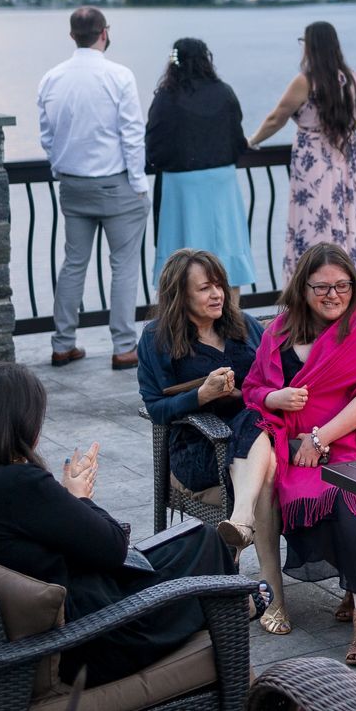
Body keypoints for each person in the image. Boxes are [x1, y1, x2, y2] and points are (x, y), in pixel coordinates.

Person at [0, 362, 241, 685]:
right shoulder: (18, 484)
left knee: (191, 541)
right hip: (90, 638)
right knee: (204, 543)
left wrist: (61, 501)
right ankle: (241, 617)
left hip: (30, 622)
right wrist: (79, 497)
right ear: (16, 425)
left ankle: (243, 603)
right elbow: (113, 546)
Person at [236, 242, 356, 660]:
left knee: (350, 504)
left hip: (353, 439)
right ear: (302, 288)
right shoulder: (278, 331)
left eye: (343, 286)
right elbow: (253, 388)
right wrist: (275, 399)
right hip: (292, 446)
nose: (333, 295)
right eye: (322, 288)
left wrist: (320, 439)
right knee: (304, 501)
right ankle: (354, 587)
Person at [135, 249, 277, 605]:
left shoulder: (244, 326)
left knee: (253, 423)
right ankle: (267, 593)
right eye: (205, 288)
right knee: (268, 467)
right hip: (201, 447)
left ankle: (240, 546)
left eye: (220, 286)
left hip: (257, 433)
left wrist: (245, 392)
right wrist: (200, 396)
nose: (217, 295)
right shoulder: (157, 340)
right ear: (180, 295)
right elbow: (155, 408)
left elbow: (274, 381)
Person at [37, 6, 148, 370]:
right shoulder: (119, 76)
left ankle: (63, 343)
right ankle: (123, 346)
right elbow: (132, 134)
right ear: (105, 32)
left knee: (73, 264)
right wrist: (138, 184)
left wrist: (61, 169)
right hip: (116, 184)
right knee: (124, 267)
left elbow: (48, 136)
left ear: (72, 36)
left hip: (72, 185)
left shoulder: (51, 78)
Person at [249, 21, 356, 281]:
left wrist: (252, 140)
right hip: (345, 162)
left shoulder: (306, 82)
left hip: (314, 165)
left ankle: (311, 288)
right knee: (344, 226)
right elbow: (355, 122)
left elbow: (276, 118)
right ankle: (345, 287)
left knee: (313, 226)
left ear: (310, 46)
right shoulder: (353, 80)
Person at [146, 38, 253, 287]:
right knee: (226, 249)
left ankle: (179, 319)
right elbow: (237, 138)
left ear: (174, 63)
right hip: (222, 181)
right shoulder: (224, 92)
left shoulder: (166, 97)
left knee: (182, 255)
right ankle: (231, 319)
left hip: (182, 184)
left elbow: (154, 143)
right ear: (207, 60)